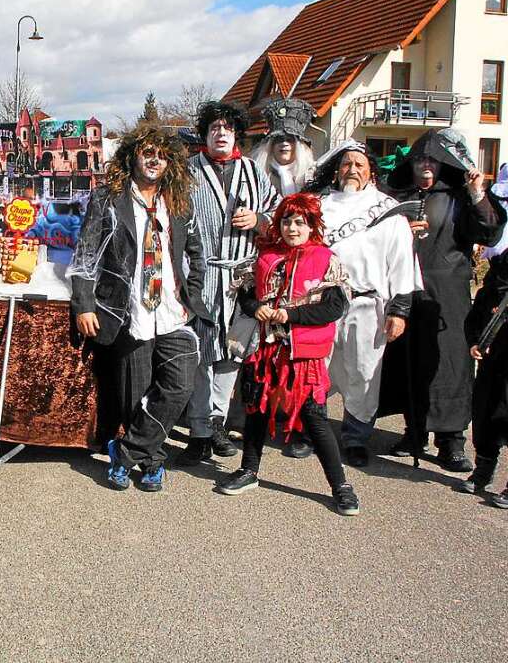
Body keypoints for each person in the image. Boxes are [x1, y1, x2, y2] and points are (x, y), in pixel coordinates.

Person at [69, 125, 211, 491]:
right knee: (137, 391)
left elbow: (196, 253)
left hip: (172, 310)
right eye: (147, 152)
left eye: (162, 155)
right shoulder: (107, 199)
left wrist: (190, 295)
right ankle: (152, 462)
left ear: (171, 164)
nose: (154, 160)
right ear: (132, 156)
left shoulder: (178, 202)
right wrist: (84, 304)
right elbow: (85, 254)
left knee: (179, 384)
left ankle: (126, 451)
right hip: (128, 309)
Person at [215, 194, 359, 515]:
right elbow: (246, 297)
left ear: (311, 226)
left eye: (299, 222)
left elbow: (333, 307)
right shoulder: (265, 256)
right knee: (257, 411)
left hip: (303, 357)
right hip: (265, 351)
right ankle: (249, 471)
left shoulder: (326, 259)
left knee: (316, 420)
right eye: (286, 221)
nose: (292, 228)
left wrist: (289, 316)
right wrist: (259, 308)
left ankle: (341, 486)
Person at [381, 129, 505, 471]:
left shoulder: (459, 197)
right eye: (420, 159)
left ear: (442, 165)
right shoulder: (399, 196)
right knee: (408, 361)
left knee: (449, 365)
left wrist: (477, 194)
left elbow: (488, 230)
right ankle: (414, 432)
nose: (425, 166)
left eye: (432, 160)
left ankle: (451, 442)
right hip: (406, 290)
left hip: (448, 294)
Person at [304, 140, 419, 467]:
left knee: (364, 371)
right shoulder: (318, 205)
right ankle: (313, 430)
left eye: (358, 164)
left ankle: (355, 438)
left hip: (368, 304)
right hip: (322, 300)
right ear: (337, 169)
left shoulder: (387, 209)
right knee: (316, 366)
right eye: (345, 164)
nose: (351, 170)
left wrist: (399, 309)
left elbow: (401, 262)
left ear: (370, 170)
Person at [180, 100, 279, 465]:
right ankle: (198, 431)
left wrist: (259, 219)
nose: (221, 133)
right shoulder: (188, 172)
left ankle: (217, 422)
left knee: (233, 352)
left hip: (242, 278)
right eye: (214, 128)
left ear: (236, 133)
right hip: (201, 275)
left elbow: (280, 215)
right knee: (201, 352)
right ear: (205, 135)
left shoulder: (254, 173)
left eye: (227, 128)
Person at [251, 97, 317, 458]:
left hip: (306, 274)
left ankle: (303, 424)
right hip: (269, 267)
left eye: (290, 140)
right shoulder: (256, 178)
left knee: (302, 352)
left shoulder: (315, 180)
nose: (284, 146)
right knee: (267, 350)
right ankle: (267, 416)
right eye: (278, 140)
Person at [459, 250, 508, 506]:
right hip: (494, 358)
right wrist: (476, 339)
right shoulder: (501, 268)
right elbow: (481, 306)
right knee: (485, 413)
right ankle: (483, 469)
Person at [251, 98, 316, 196]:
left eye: (290, 139)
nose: (284, 143)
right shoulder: (258, 175)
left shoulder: (312, 175)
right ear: (271, 145)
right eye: (279, 139)